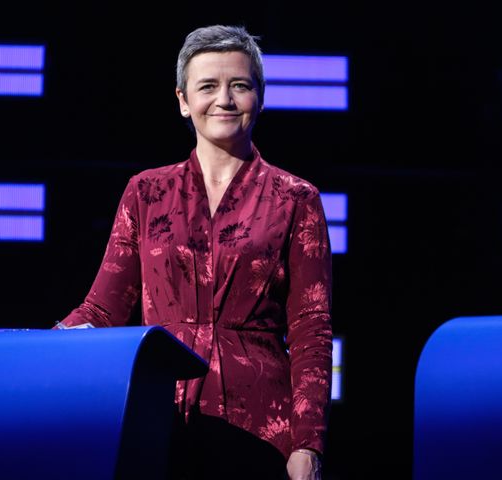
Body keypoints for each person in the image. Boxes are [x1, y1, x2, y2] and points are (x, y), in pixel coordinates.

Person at [55, 24, 332, 480]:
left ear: (260, 97)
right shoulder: (145, 191)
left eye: (239, 85)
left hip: (259, 430)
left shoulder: (297, 198)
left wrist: (308, 444)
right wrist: (43, 345)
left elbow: (311, 328)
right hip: (155, 420)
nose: (224, 99)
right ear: (183, 100)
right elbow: (103, 309)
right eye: (208, 86)